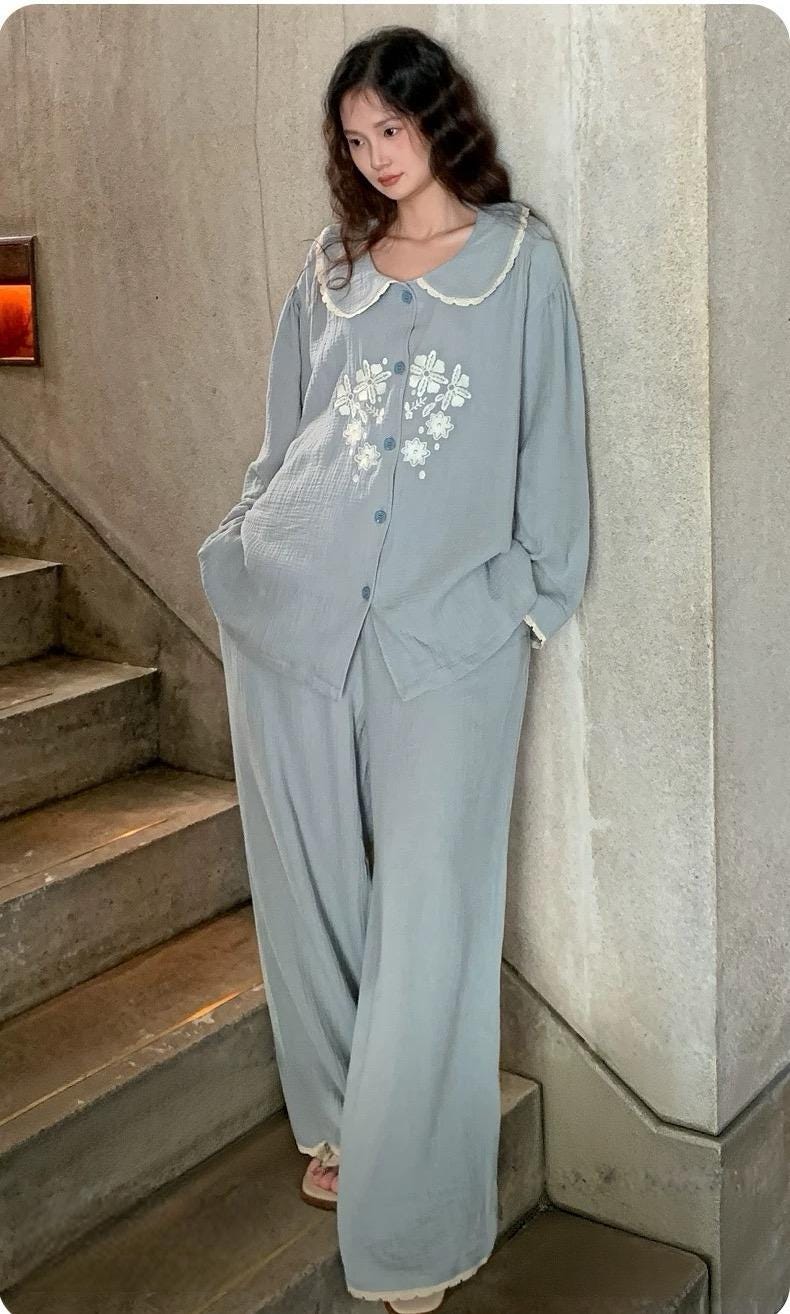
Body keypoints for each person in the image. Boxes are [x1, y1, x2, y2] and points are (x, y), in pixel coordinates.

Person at [197, 24, 589, 1314]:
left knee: (434, 908)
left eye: (393, 130)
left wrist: (528, 601)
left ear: (440, 120)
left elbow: (549, 446)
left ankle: (415, 1217)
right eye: (355, 139)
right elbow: (286, 433)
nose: (374, 158)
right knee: (309, 878)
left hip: (449, 637)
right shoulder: (333, 269)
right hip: (299, 617)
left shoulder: (520, 264)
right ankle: (337, 1116)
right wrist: (245, 542)